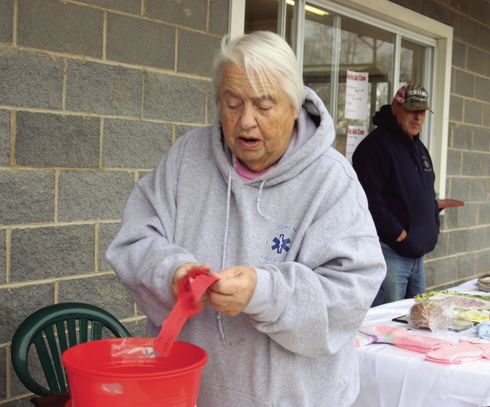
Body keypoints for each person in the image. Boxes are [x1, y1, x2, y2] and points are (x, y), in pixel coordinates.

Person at [106, 31, 385, 406]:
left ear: (293, 105)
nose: (245, 122)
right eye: (232, 103)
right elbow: (135, 240)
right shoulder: (187, 157)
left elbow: (352, 292)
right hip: (193, 395)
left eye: (264, 106)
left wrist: (263, 292)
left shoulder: (331, 180)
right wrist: (171, 272)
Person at [352, 83, 439, 306]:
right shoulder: (374, 147)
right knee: (388, 323)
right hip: (390, 253)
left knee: (419, 319)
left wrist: (433, 223)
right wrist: (399, 234)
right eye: (412, 110)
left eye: (422, 112)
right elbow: (370, 201)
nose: (417, 117)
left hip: (417, 257)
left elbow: (427, 190)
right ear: (395, 108)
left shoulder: (418, 147)